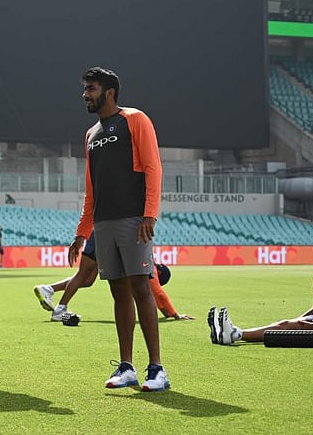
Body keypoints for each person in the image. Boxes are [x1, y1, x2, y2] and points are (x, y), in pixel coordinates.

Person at [73, 66, 168, 392]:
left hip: (133, 220)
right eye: (85, 89)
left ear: (109, 92)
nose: (86, 94)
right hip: (104, 223)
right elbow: (91, 188)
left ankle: (157, 369)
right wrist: (82, 231)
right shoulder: (90, 134)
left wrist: (149, 215)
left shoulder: (135, 120)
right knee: (117, 292)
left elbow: (153, 167)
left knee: (141, 287)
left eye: (92, 88)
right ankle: (127, 367)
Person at [208, 236, 313, 345]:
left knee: (286, 326)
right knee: (287, 324)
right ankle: (230, 334)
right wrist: (298, 320)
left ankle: (236, 334)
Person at [33, 232, 194, 322]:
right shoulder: (150, 264)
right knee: (83, 274)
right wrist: (174, 315)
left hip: (104, 234)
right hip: (106, 236)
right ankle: (60, 310)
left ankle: (48, 289)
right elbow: (157, 292)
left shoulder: (149, 261)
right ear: (159, 272)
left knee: (88, 280)